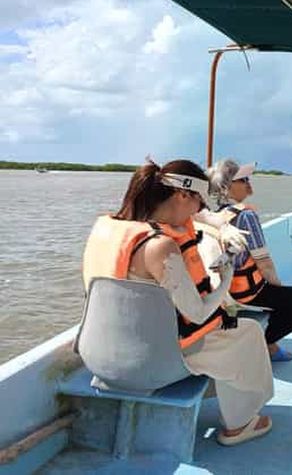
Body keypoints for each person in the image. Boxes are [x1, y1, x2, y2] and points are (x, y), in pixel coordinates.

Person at [82, 159, 274, 446]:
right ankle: (240, 425)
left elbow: (201, 219)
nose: (200, 210)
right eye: (199, 200)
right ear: (183, 195)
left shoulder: (107, 228)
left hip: (97, 357)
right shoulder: (160, 246)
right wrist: (226, 277)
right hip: (149, 364)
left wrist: (218, 228)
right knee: (247, 332)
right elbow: (196, 314)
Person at [207, 158, 292, 362]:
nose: (248, 183)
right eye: (243, 179)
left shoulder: (214, 215)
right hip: (245, 292)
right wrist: (278, 288)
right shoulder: (246, 216)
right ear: (227, 186)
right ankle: (267, 344)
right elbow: (264, 263)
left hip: (223, 289)